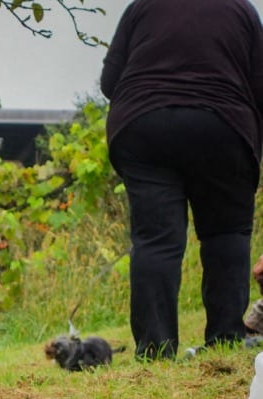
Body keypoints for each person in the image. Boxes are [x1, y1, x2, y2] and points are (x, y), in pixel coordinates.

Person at [100, 0, 263, 361]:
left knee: (156, 240)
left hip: (144, 125)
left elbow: (110, 82)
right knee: (227, 233)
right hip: (223, 126)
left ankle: (156, 348)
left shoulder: (141, 7)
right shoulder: (242, 10)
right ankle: (225, 339)